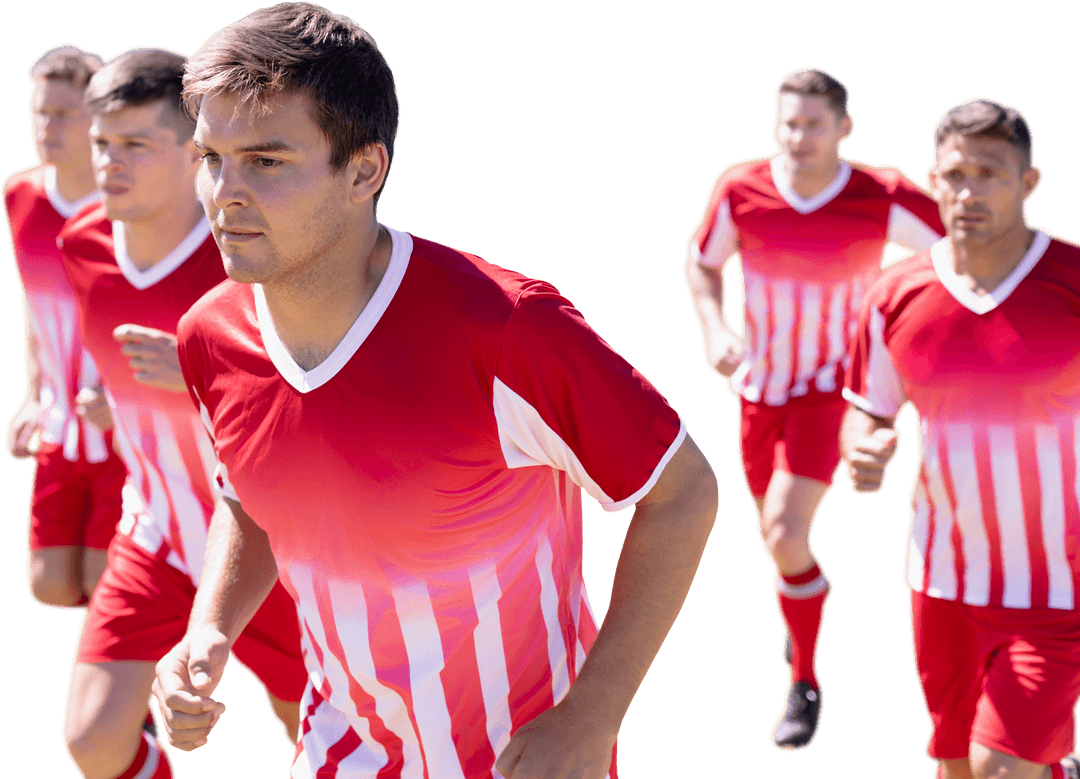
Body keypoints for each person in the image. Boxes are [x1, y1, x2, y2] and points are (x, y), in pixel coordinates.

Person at [151, 4, 719, 778]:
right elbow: (254, 496)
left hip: (523, 759)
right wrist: (209, 628)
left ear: (365, 170)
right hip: (340, 750)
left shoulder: (509, 330)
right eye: (212, 158)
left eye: (267, 161)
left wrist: (593, 713)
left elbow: (682, 491)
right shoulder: (208, 338)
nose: (224, 192)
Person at [56, 47, 306, 779]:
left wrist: (196, 380)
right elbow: (115, 375)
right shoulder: (82, 248)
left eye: (135, 145)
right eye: (101, 144)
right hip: (157, 539)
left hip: (260, 556)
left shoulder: (254, 260)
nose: (109, 164)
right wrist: (106, 406)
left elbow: (315, 402)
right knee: (93, 740)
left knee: (312, 735)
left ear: (195, 153)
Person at [682, 66, 945, 751]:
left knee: (783, 530)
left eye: (814, 125)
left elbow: (963, 256)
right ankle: (803, 645)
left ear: (844, 129)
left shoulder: (879, 193)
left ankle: (803, 678)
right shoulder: (741, 187)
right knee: (778, 544)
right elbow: (702, 261)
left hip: (833, 393)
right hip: (759, 392)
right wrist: (715, 329)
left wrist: (914, 344)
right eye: (787, 123)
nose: (798, 138)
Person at [842, 97, 1080, 779]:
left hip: (1056, 586)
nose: (967, 191)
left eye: (990, 173)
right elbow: (871, 411)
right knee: (957, 770)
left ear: (1030, 183)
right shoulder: (896, 291)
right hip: (940, 580)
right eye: (953, 175)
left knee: (1000, 768)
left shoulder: (1073, 281)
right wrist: (863, 447)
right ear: (932, 179)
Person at [2, 43, 127, 610]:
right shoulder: (18, 194)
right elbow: (34, 302)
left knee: (112, 589)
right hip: (60, 428)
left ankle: (130, 692)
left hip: (125, 433)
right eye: (38, 112)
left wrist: (125, 395)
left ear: (98, 119)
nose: (46, 126)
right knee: (50, 587)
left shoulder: (134, 205)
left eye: (62, 114)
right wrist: (32, 396)